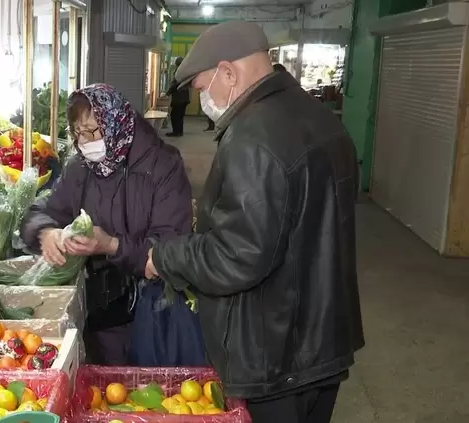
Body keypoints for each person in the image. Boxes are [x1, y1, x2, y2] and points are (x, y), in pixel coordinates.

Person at [144, 21, 363, 423]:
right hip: (323, 342)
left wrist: (167, 256)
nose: (202, 99)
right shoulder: (321, 117)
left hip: (275, 354)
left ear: (228, 73)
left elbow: (238, 255)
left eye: (201, 86)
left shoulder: (253, 135)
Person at [20, 83, 202, 366]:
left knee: (146, 391)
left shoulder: (163, 166)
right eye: (77, 133)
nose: (83, 142)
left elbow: (170, 248)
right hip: (98, 313)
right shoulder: (80, 166)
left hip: (149, 312)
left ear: (115, 120)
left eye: (92, 131)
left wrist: (111, 245)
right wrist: (45, 230)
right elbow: (44, 209)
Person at [165, 57, 189, 137]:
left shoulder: (179, 72)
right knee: (180, 116)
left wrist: (168, 93)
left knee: (174, 116)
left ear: (176, 64)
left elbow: (175, 84)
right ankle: (179, 132)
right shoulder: (185, 71)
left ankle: (176, 132)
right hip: (185, 98)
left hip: (179, 98)